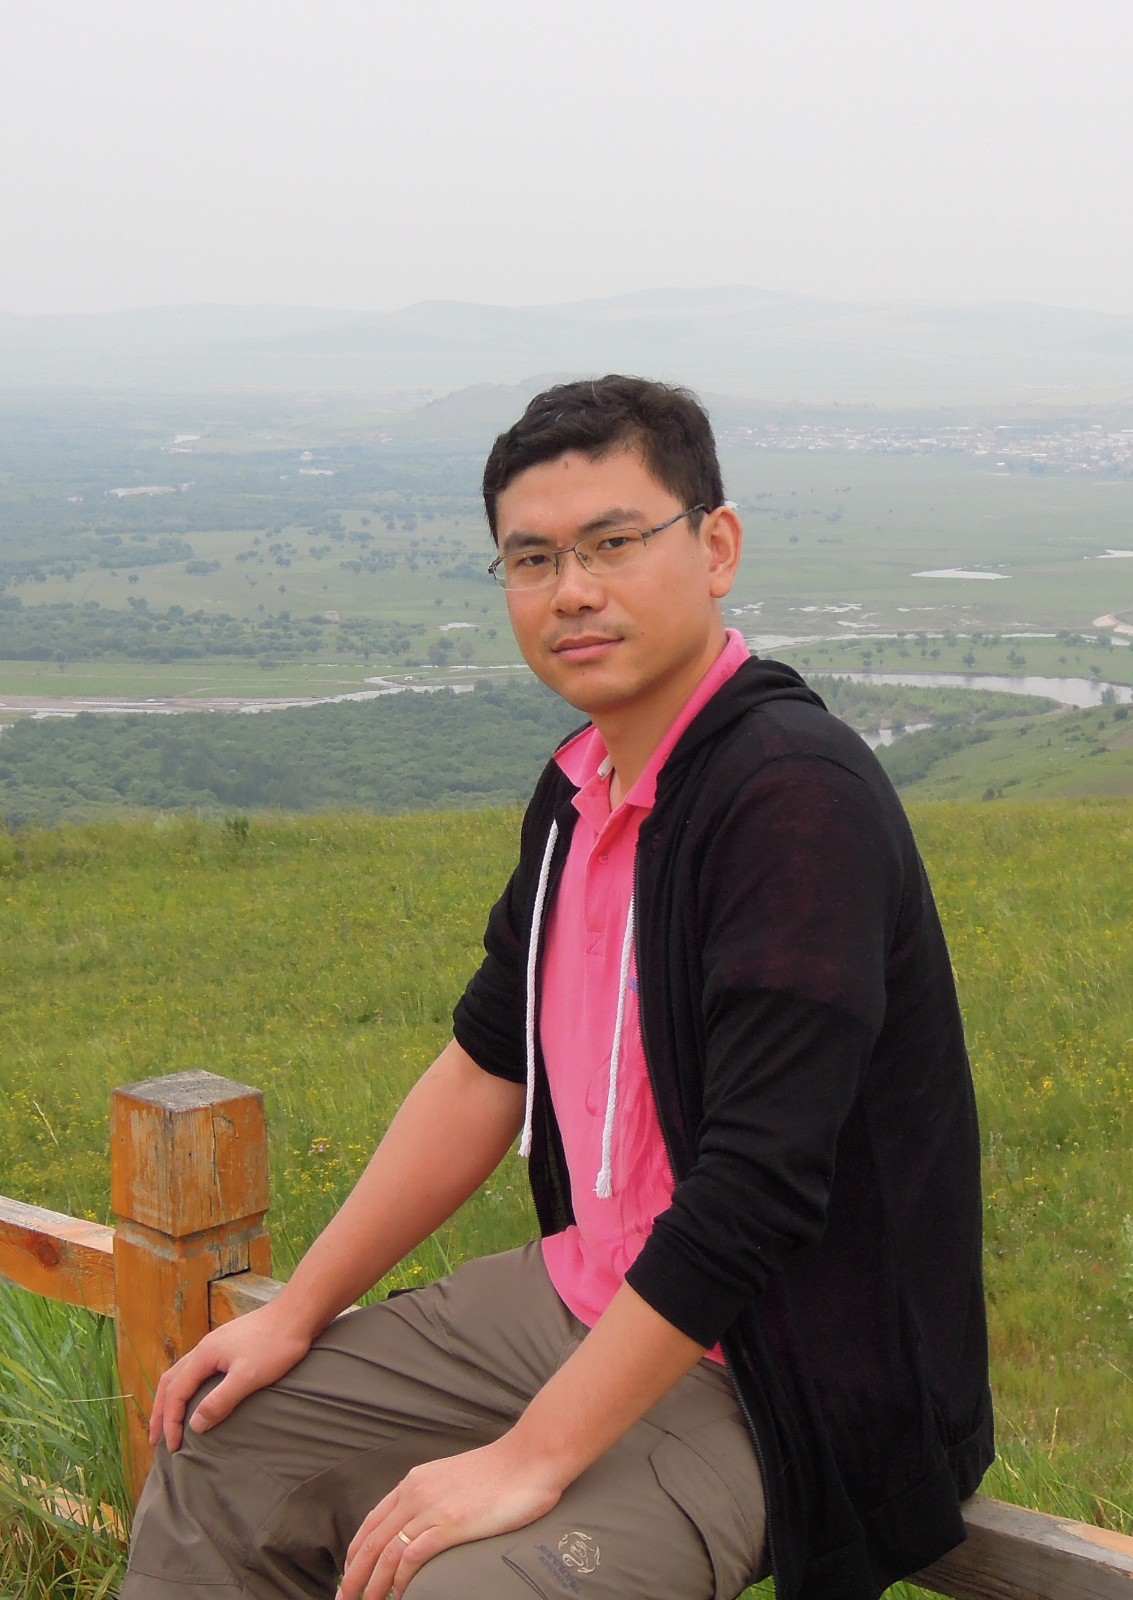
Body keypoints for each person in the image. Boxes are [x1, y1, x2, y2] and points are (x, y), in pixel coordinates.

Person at [122, 375, 993, 1600]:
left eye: (612, 542)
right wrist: (295, 1309)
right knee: (225, 1446)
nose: (570, 589)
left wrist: (526, 1459)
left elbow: (756, 1190)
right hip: (585, 1293)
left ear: (715, 547)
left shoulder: (793, 801)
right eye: (531, 559)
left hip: (782, 1375)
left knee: (469, 1588)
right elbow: (488, 1063)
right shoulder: (580, 786)